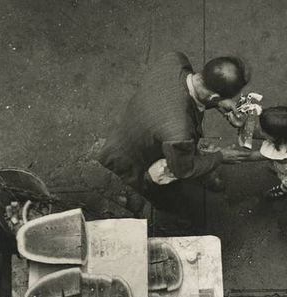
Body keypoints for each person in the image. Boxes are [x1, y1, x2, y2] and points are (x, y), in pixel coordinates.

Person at [97, 52, 251, 215]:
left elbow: (187, 95)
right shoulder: (180, 133)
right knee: (164, 194)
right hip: (131, 156)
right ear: (213, 94)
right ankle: (178, 218)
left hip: (140, 125)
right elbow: (183, 170)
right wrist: (221, 156)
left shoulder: (175, 59)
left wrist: (218, 102)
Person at [238, 106, 287, 199]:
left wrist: (225, 155)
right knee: (277, 166)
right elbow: (261, 134)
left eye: (262, 130)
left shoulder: (276, 151)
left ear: (274, 138)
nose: (258, 128)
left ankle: (286, 189)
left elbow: (251, 156)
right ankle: (281, 176)